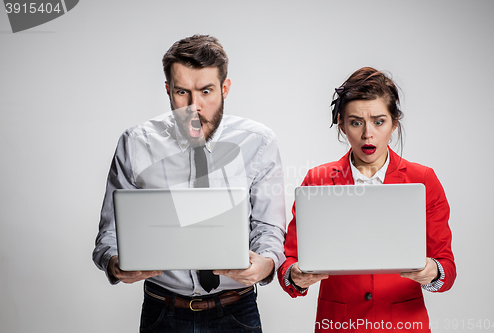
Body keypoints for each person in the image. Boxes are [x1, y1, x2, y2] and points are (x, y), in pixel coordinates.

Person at [93, 34, 286, 332]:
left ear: (225, 88)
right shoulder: (135, 143)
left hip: (237, 311)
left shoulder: (258, 142)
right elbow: (108, 235)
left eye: (206, 91)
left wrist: (266, 263)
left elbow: (269, 228)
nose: (194, 107)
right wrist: (115, 263)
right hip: (163, 312)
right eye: (182, 92)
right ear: (168, 90)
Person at [278, 67, 456, 332]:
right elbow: (289, 259)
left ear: (394, 123)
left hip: (404, 323)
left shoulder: (423, 180)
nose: (367, 134)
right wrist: (294, 276)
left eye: (379, 121)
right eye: (356, 122)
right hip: (338, 323)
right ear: (341, 123)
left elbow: (446, 266)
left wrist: (433, 271)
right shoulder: (318, 180)